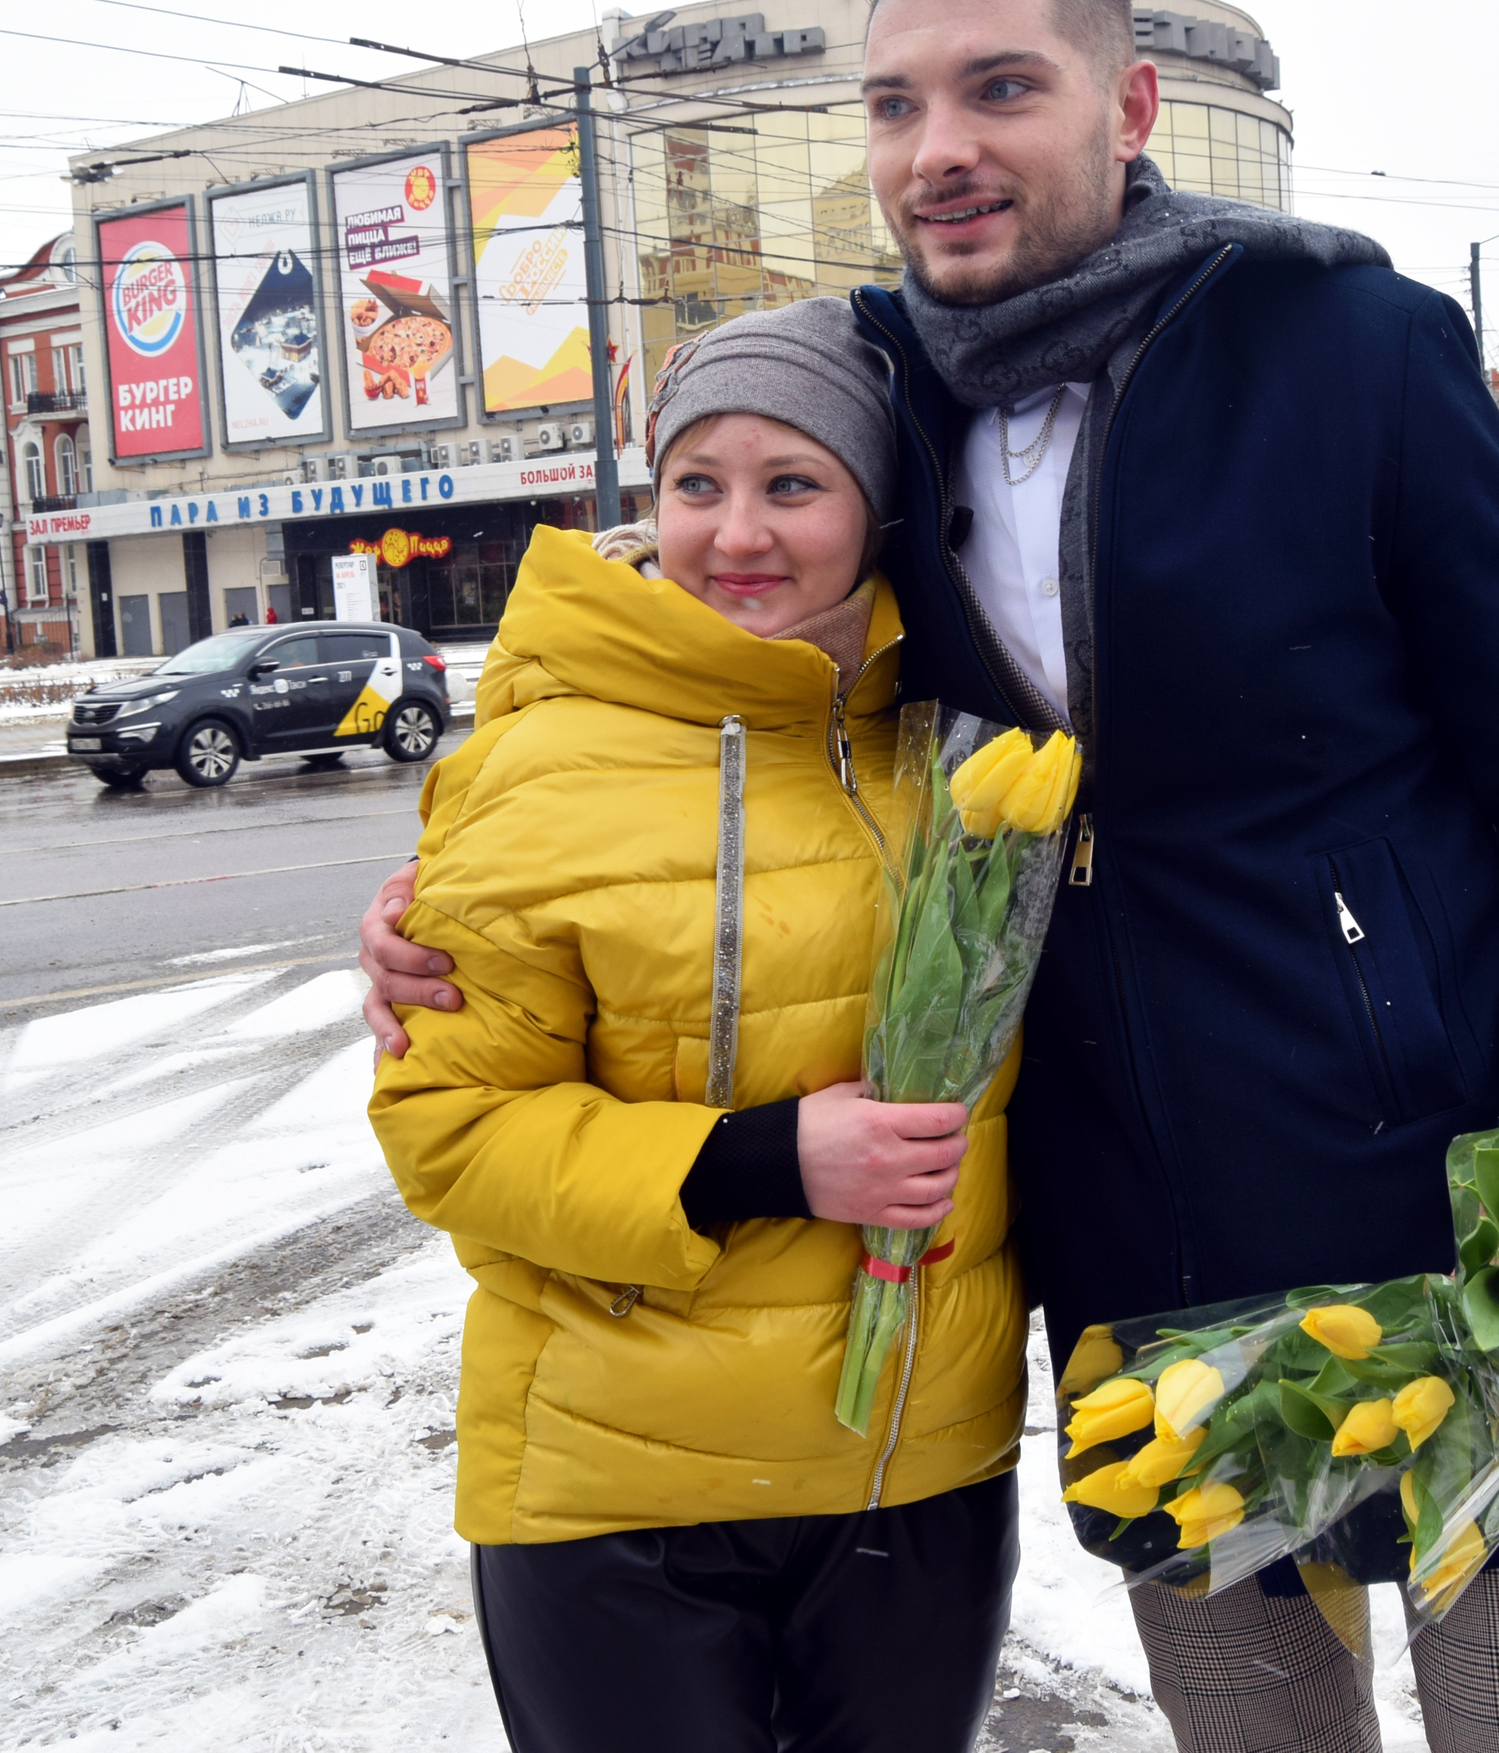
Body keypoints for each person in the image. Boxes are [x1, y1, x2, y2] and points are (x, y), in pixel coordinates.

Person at [368, 0, 1499, 1752]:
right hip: (1137, 1236)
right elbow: (685, 654)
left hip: (1463, 1188)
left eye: (1001, 88)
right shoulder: (876, 392)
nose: (942, 150)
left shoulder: (1345, 345)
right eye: (897, 102)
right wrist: (455, 880)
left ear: (1130, 105)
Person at [366, 298, 1027, 1753]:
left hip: (911, 1470)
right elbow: (454, 1135)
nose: (738, 532)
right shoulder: (536, 766)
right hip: (619, 1493)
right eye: (696, 484)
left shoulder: (964, 743)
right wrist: (771, 1159)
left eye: (794, 484)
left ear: (878, 509)